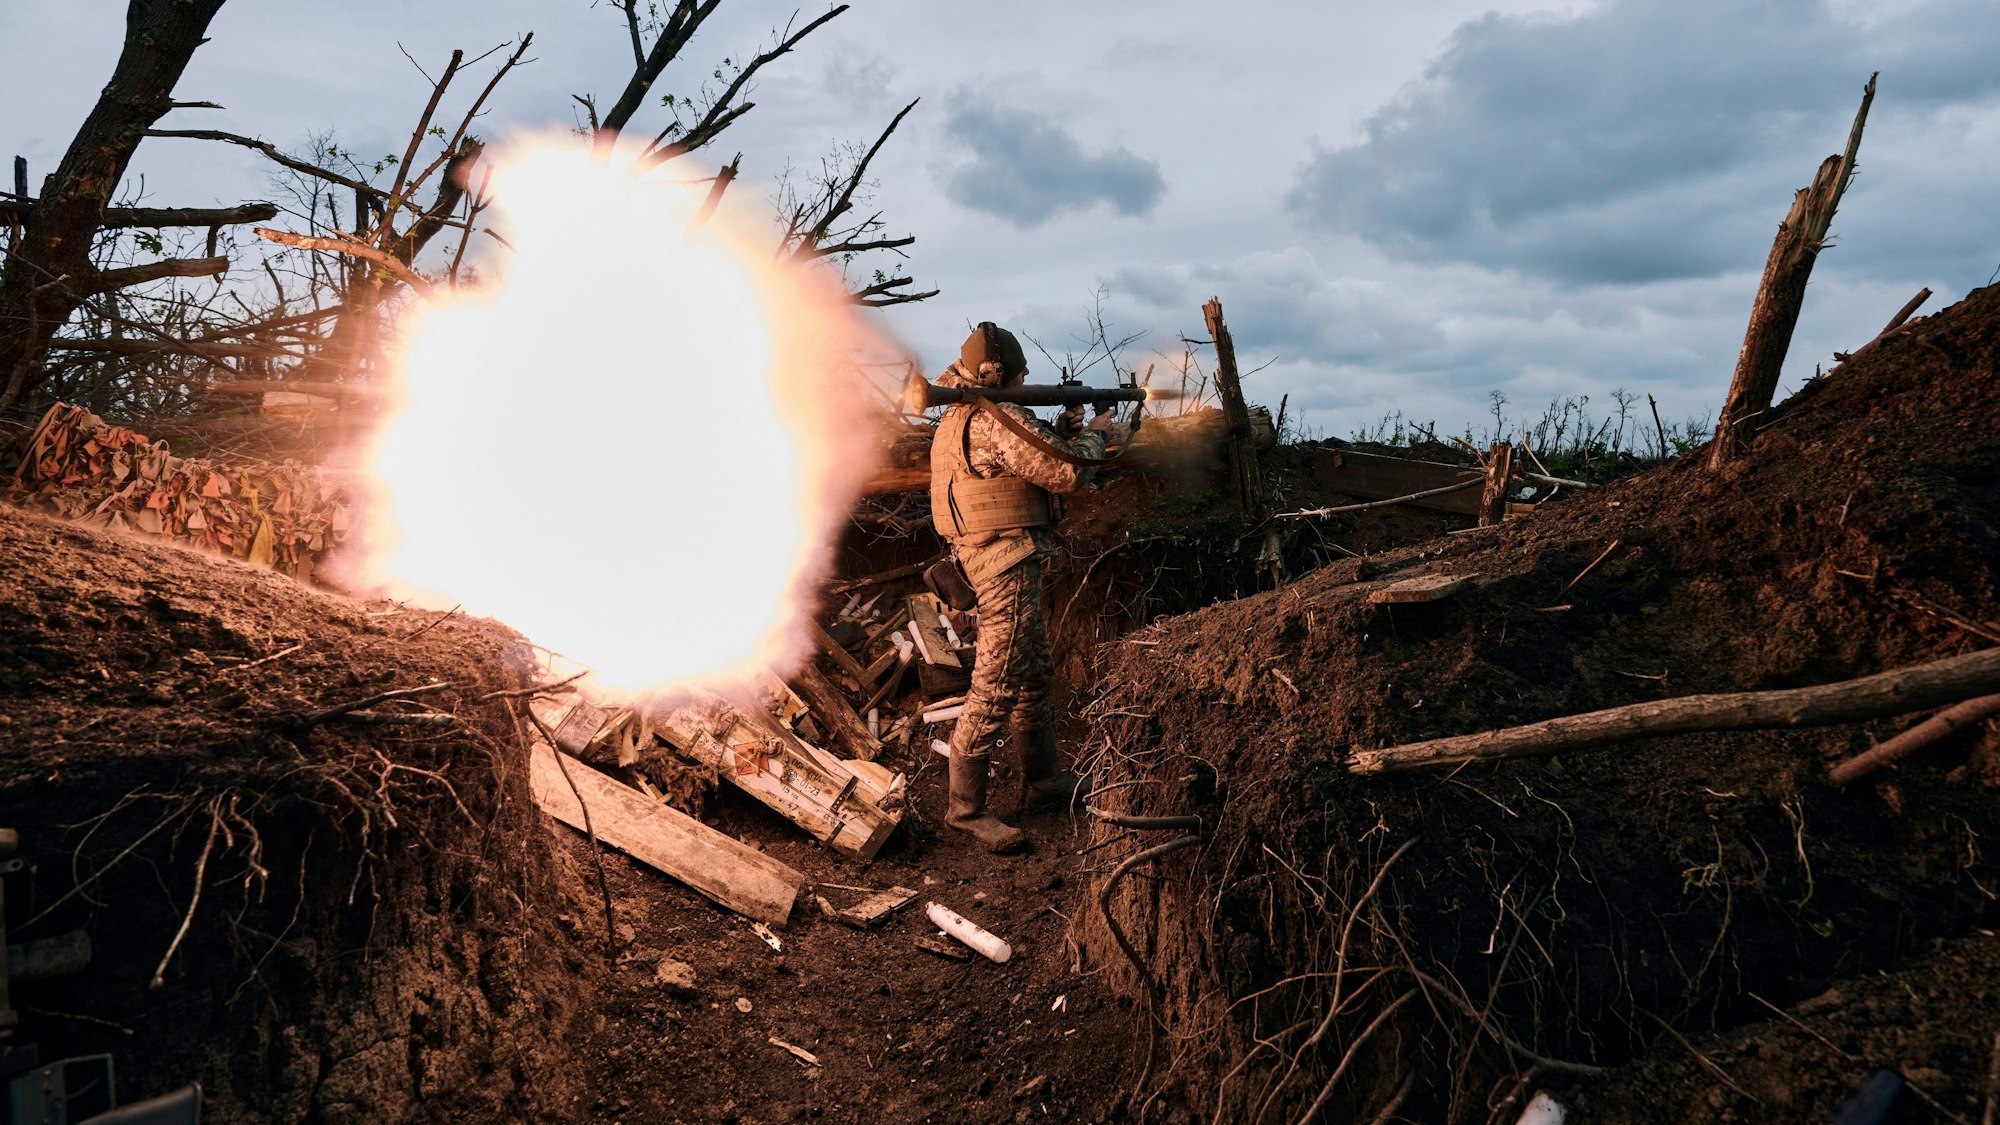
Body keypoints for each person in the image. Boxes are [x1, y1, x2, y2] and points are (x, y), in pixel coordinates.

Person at [929, 322, 1134, 852]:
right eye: (1021, 375)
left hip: (990, 556)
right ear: (1003, 374)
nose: (1024, 383)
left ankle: (1044, 782)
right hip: (1005, 564)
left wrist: (1063, 428)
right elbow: (1065, 473)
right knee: (996, 683)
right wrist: (1100, 433)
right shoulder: (996, 417)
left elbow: (1021, 460)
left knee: (1035, 674)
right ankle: (965, 810)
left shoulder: (960, 414)